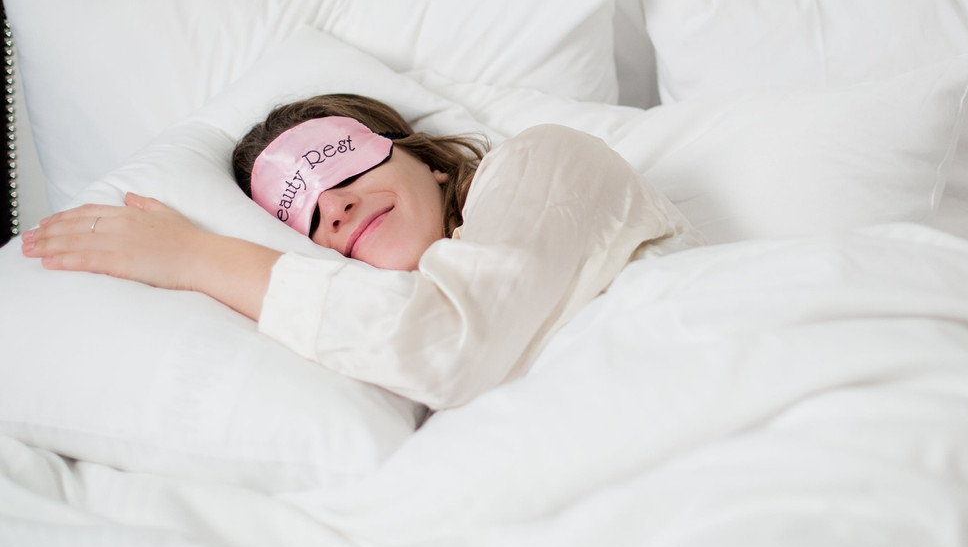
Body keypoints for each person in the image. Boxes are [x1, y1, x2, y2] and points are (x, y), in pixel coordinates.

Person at [22, 94, 695, 408]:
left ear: (423, 159)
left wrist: (197, 258)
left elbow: (447, 341)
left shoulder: (546, 159)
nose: (335, 205)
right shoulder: (369, 334)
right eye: (308, 215)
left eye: (344, 170)